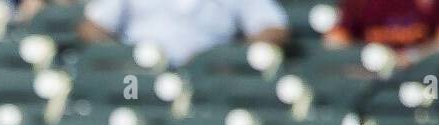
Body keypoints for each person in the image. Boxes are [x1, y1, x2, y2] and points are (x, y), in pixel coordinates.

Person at [79, 0, 289, 67]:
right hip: (138, 75)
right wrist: (122, 58)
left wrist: (229, 59)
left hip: (208, 76)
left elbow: (274, 29)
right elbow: (93, 27)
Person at [325, 0, 439, 60]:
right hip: (372, 75)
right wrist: (375, 57)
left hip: (428, 78)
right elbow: (335, 40)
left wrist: (412, 56)